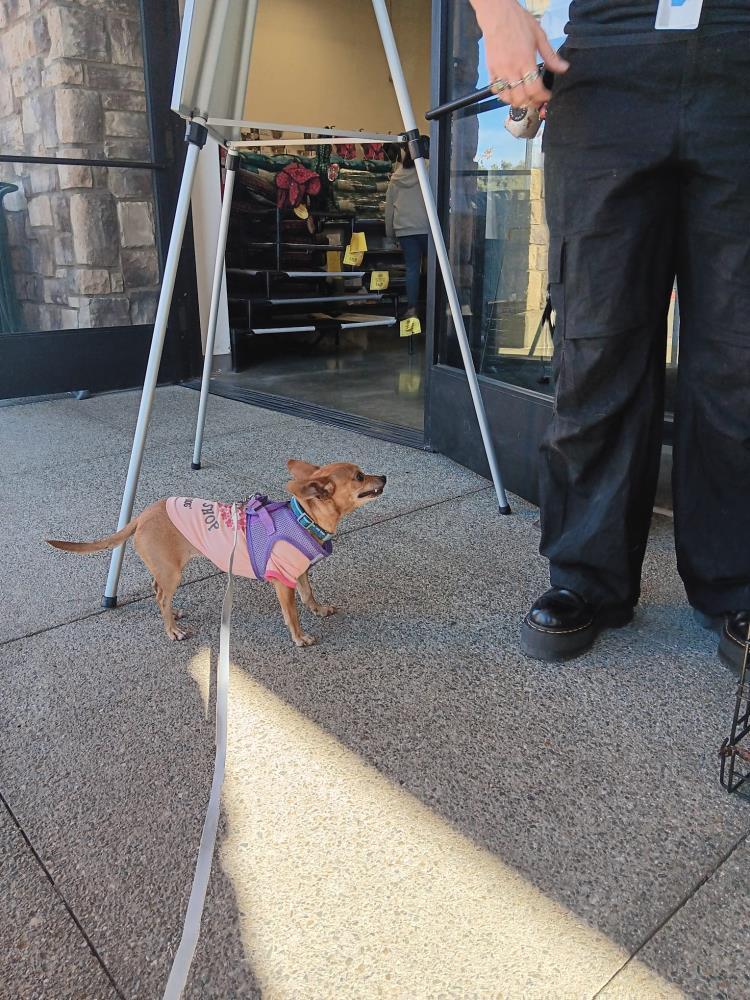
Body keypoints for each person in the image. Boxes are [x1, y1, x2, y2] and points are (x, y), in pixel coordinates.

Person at [468, 0, 750, 668]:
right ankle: (586, 575)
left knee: (741, 354)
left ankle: (739, 581)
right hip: (609, 50)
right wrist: (496, 13)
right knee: (596, 343)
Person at [385, 144, 430, 319]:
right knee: (434, 268)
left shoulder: (396, 177)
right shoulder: (427, 169)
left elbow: (389, 209)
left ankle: (412, 309)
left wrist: (390, 234)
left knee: (412, 269)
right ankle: (437, 306)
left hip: (404, 229)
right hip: (426, 227)